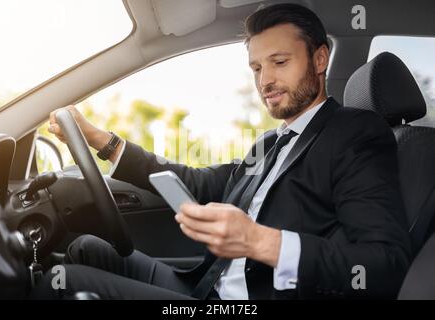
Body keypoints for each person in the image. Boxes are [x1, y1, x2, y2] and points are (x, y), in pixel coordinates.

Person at [32, 3, 411, 300]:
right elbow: (200, 182)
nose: (265, 81)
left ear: (320, 59)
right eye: (257, 68)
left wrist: (262, 241)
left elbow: (384, 266)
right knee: (85, 248)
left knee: (62, 282)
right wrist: (102, 139)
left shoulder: (356, 134)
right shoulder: (269, 143)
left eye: (279, 63)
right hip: (207, 286)